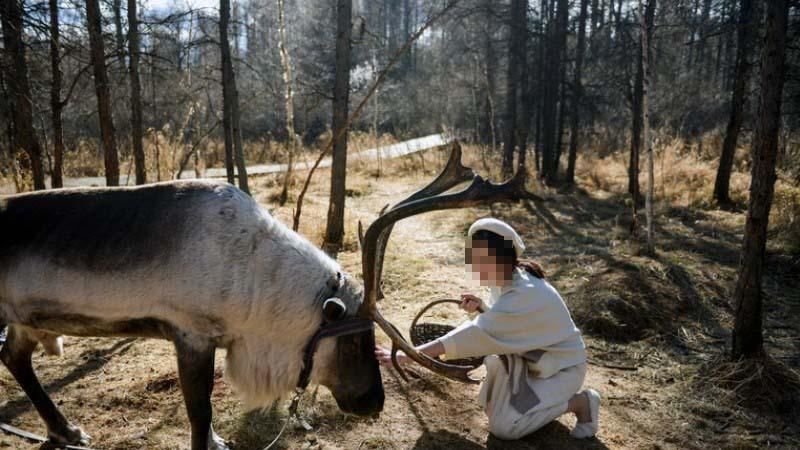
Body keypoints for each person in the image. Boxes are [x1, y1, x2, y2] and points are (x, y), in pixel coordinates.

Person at [375, 217, 600, 440]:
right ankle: (534, 404)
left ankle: (580, 403)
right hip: (532, 363)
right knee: (494, 409)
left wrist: (409, 355)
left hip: (563, 370)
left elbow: (475, 334)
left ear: (501, 259)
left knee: (505, 427)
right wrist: (482, 308)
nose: (475, 266)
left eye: (482, 260)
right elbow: (507, 324)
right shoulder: (510, 278)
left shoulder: (526, 293)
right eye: (474, 257)